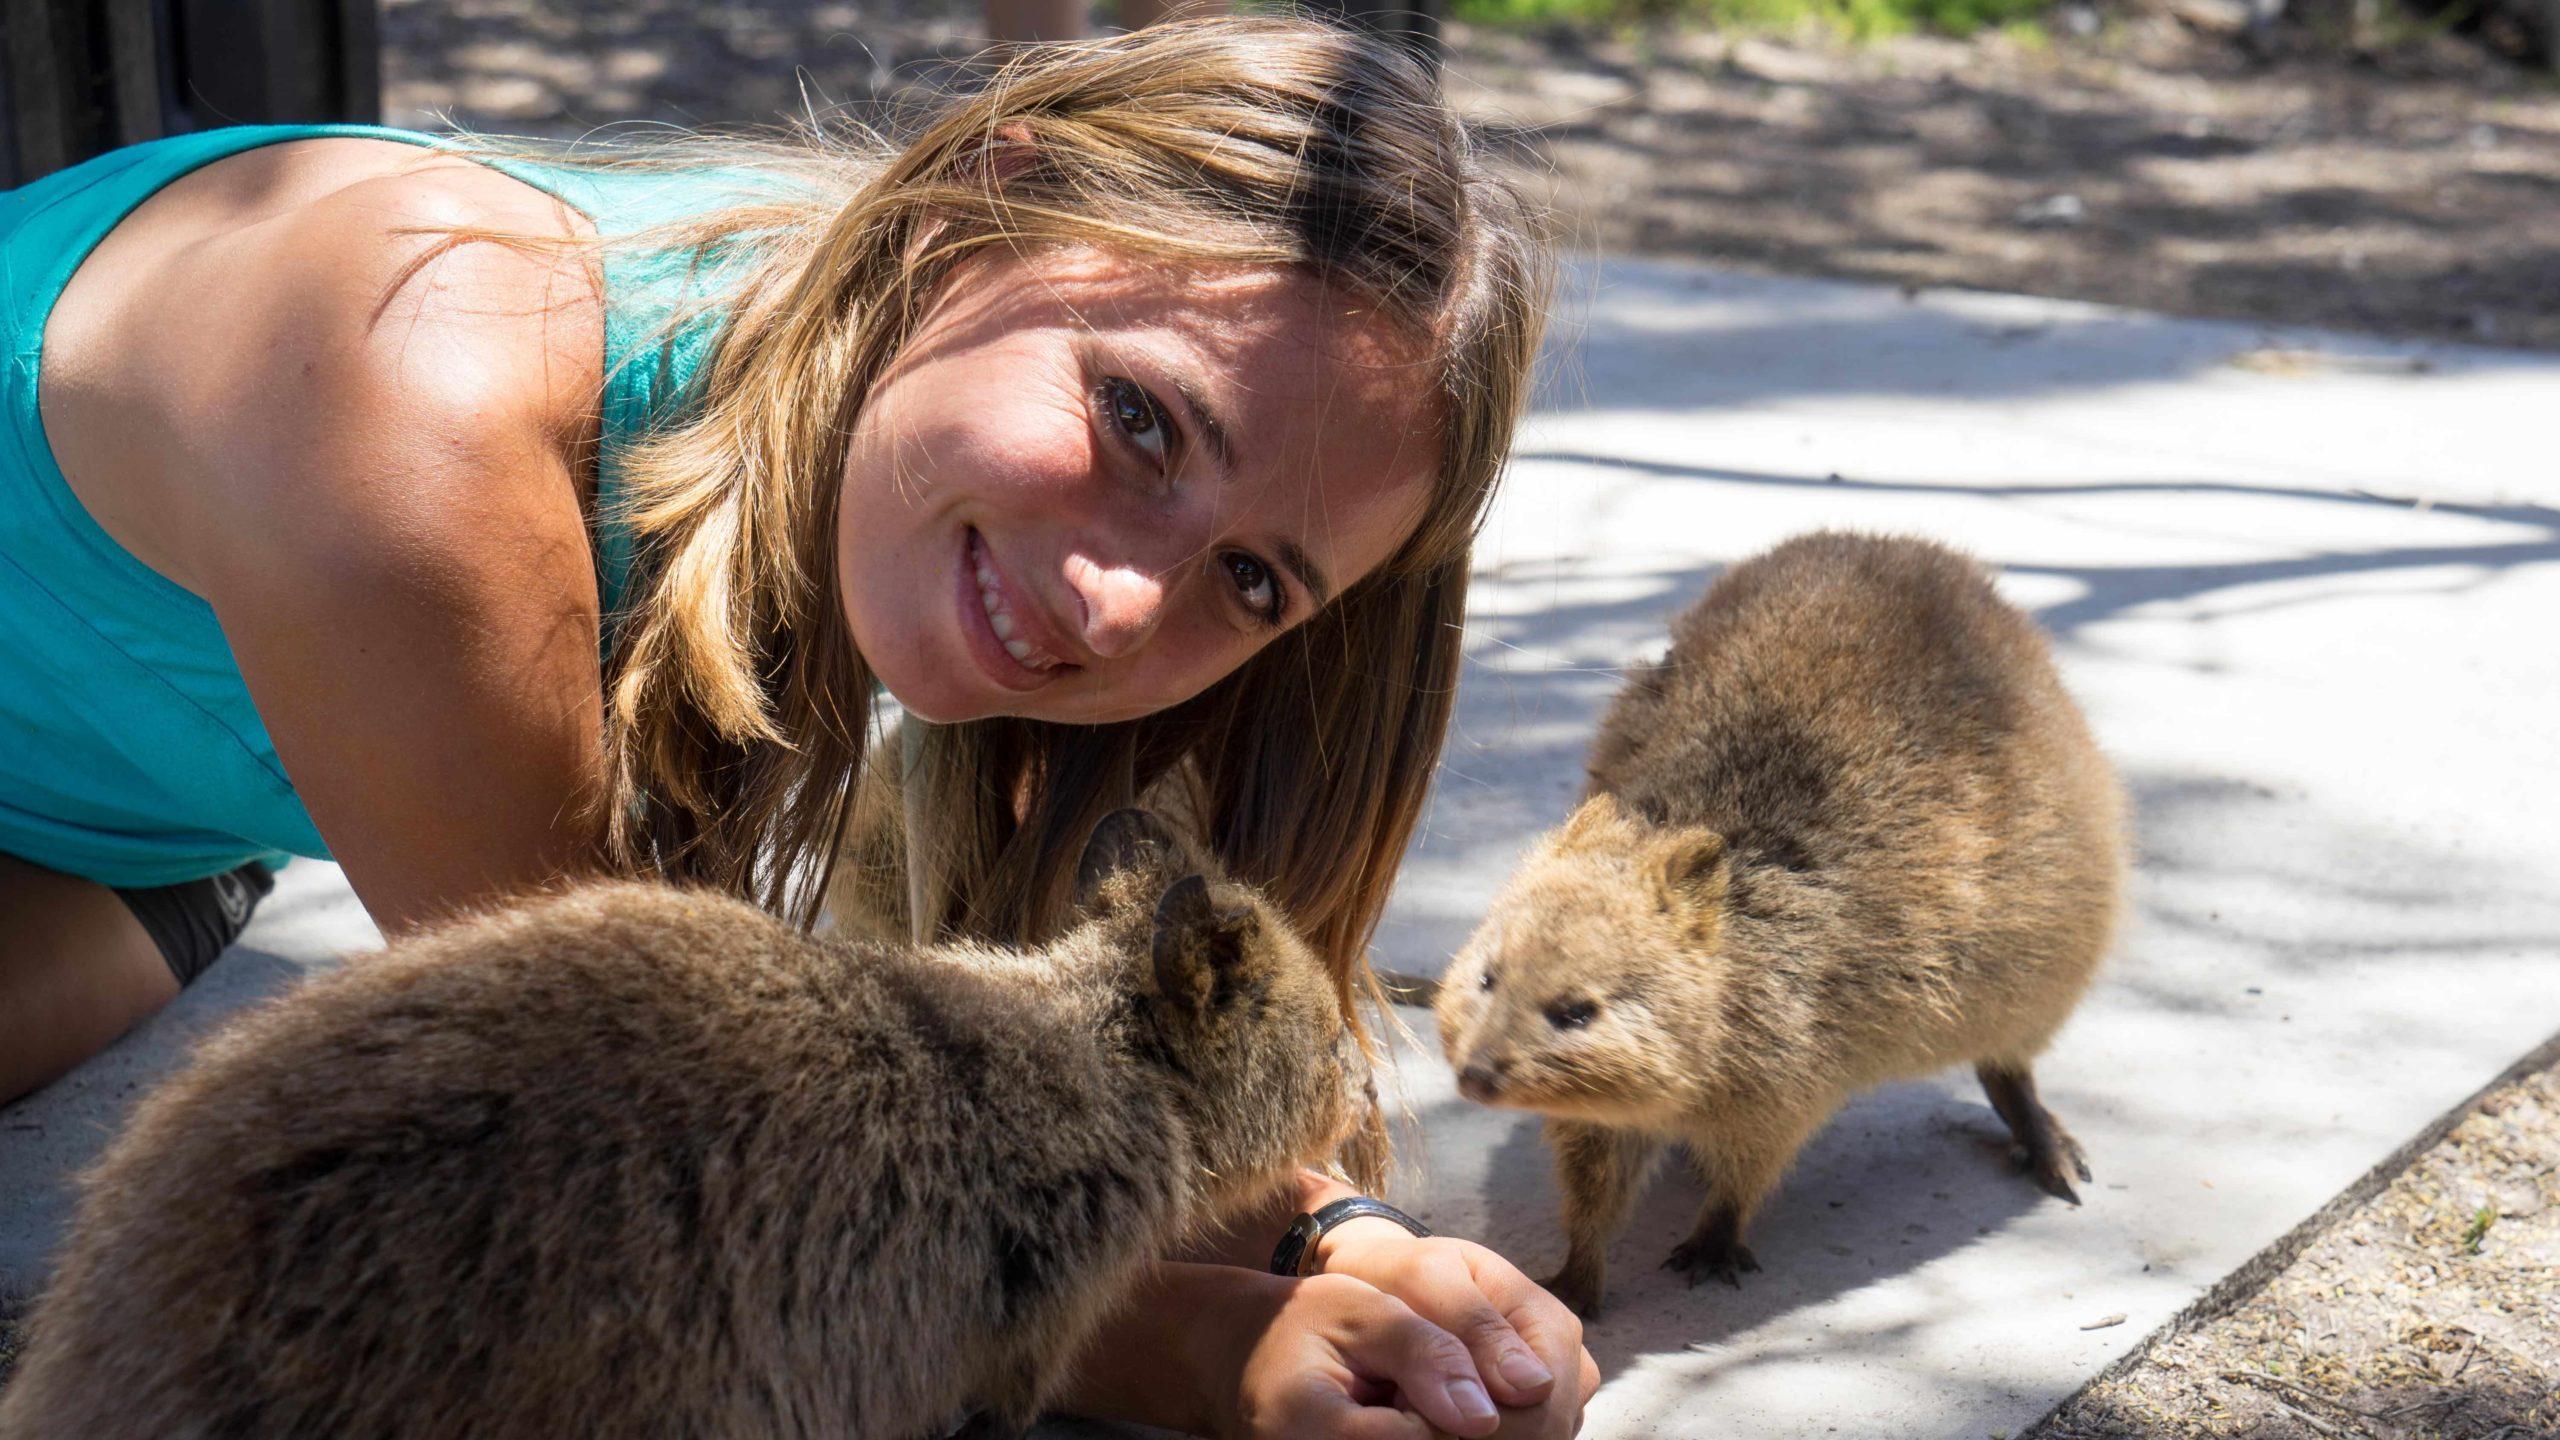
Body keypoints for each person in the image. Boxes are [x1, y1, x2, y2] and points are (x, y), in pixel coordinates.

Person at [0, 17, 1591, 1437]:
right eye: (1139, 417)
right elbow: (647, 1182)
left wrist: (1340, 1243)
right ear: (979, 198)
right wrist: (1185, 1352)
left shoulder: (916, 447)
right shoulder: (409, 392)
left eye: (1250, 577)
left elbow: (1028, 1083)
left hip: (145, 834)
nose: (1119, 606)